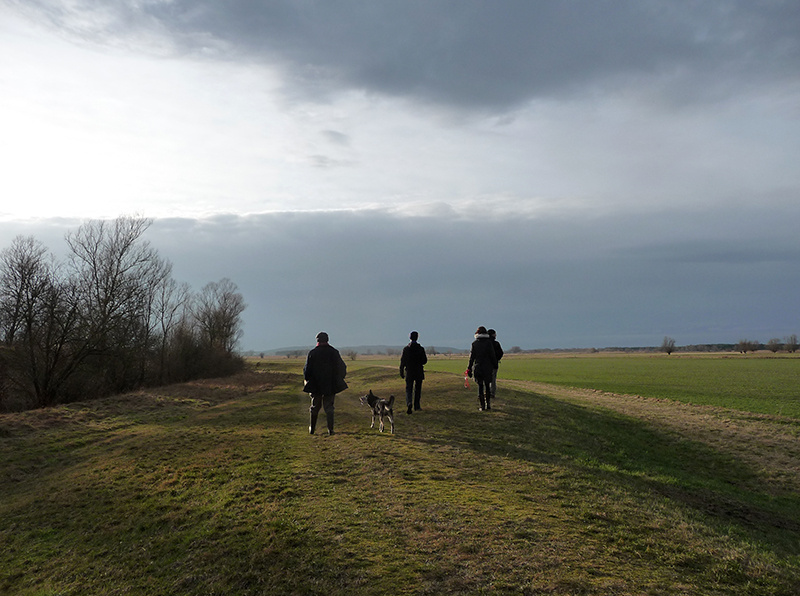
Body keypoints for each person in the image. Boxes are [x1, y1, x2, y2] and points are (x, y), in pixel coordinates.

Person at [302, 331, 347, 435]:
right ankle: (330, 430)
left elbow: (307, 370)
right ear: (327, 340)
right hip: (330, 384)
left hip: (315, 384)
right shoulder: (334, 352)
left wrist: (307, 379)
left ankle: (312, 429)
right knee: (329, 407)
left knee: (315, 406)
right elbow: (342, 367)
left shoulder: (313, 353)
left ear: (317, 340)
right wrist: (339, 378)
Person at [467, 326, 498, 411]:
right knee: (487, 386)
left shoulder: (475, 344)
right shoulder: (489, 343)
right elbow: (492, 356)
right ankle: (488, 405)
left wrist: (469, 368)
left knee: (480, 386)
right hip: (488, 367)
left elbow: (471, 358)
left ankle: (482, 406)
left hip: (478, 367)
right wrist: (495, 365)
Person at [399, 330, 428, 414]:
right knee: (418, 389)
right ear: (417, 337)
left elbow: (402, 361)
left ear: (410, 338)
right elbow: (424, 361)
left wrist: (401, 371)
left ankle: (409, 403)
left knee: (409, 389)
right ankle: (417, 406)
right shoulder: (421, 349)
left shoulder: (406, 349)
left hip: (409, 372)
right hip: (419, 371)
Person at [488, 328, 504, 402]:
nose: (496, 335)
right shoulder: (496, 343)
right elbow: (501, 353)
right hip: (494, 364)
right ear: (493, 335)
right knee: (493, 379)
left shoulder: (486, 343)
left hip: (486, 363)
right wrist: (497, 359)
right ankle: (492, 393)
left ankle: (486, 392)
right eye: (495, 334)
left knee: (486, 378)